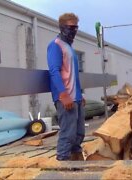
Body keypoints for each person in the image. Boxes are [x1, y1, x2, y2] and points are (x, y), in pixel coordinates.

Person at [47, 13, 85, 161]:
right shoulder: (55, 45)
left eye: (76, 27)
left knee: (79, 133)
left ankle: (77, 166)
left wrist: (80, 94)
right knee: (68, 134)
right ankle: (62, 167)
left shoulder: (70, 48)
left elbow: (74, 74)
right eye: (71, 27)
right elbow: (54, 71)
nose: (74, 30)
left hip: (75, 97)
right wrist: (63, 94)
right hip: (65, 97)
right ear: (62, 27)